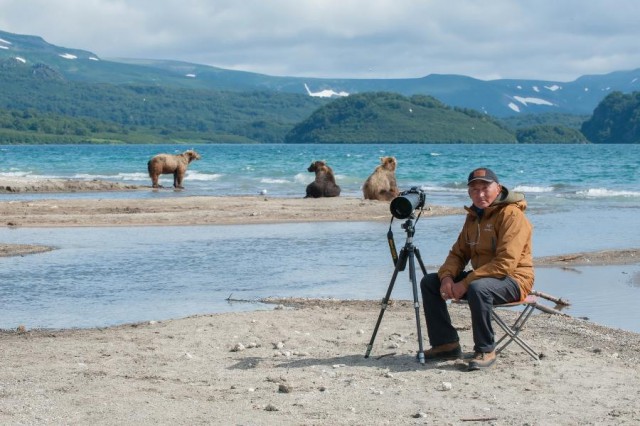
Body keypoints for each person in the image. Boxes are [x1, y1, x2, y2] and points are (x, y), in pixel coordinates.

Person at [420, 167, 534, 371]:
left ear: (498, 188)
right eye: (474, 189)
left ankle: (485, 349)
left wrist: (465, 282)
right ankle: (446, 344)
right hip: (483, 278)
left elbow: (505, 263)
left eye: (485, 188)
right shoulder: (473, 216)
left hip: (515, 280)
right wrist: (447, 278)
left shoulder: (512, 215)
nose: (480, 194)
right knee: (430, 282)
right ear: (468, 192)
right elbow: (458, 254)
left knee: (478, 288)